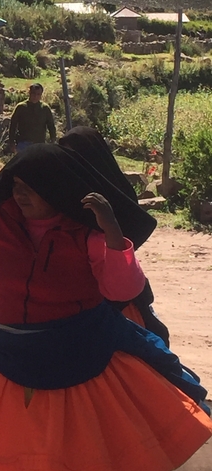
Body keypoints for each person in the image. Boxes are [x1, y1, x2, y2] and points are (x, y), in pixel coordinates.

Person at [0, 145, 212, 471]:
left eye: (32, 187)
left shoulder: (86, 232)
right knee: (11, 450)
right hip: (6, 350)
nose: (20, 194)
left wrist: (113, 233)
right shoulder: (1, 220)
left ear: (56, 190)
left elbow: (122, 290)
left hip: (77, 352)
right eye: (17, 185)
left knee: (80, 455)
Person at [58, 125, 169, 343]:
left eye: (79, 157)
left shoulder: (117, 193)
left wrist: (109, 225)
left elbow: (131, 236)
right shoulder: (62, 193)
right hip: (74, 294)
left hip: (118, 296)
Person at [8, 82, 56, 152]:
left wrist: (53, 140)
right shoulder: (21, 107)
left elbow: (51, 126)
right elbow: (13, 125)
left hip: (39, 144)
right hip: (23, 143)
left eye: (38, 94)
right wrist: (12, 142)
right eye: (33, 93)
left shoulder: (45, 108)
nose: (35, 96)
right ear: (29, 93)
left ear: (41, 95)